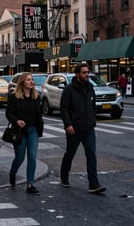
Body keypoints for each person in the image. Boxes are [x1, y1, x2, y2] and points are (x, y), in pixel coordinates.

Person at [59, 63, 106, 194]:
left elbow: (93, 105)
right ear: (77, 74)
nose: (87, 75)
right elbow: (64, 109)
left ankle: (93, 184)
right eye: (84, 72)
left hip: (89, 128)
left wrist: (93, 120)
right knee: (70, 153)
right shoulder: (69, 90)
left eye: (88, 72)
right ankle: (64, 176)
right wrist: (68, 125)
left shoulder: (90, 87)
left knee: (91, 154)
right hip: (74, 128)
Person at [6, 72, 44, 195]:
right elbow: (9, 113)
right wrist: (16, 121)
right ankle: (12, 172)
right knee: (20, 158)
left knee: (32, 157)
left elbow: (39, 114)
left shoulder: (36, 97)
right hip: (20, 131)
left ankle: (30, 184)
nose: (31, 81)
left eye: (32, 79)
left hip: (33, 130)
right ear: (22, 82)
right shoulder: (14, 96)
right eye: (28, 80)